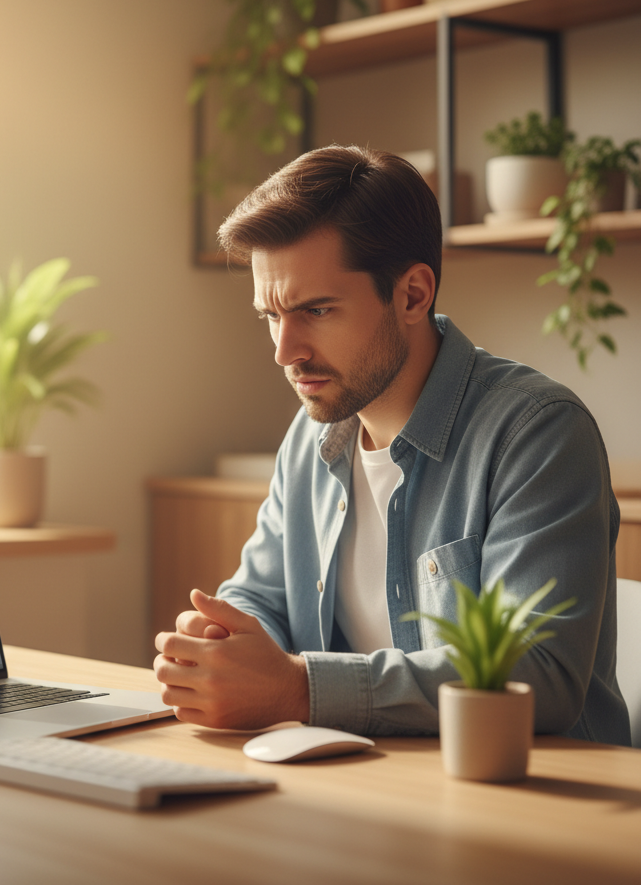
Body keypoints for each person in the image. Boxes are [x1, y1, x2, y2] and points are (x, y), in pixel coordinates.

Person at [153, 145, 629, 745]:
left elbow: (538, 676)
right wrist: (219, 643)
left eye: (316, 310)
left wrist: (299, 688)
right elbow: (263, 599)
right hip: (369, 786)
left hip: (535, 803)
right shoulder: (312, 437)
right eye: (270, 316)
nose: (284, 351)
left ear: (411, 294)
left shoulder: (537, 432)